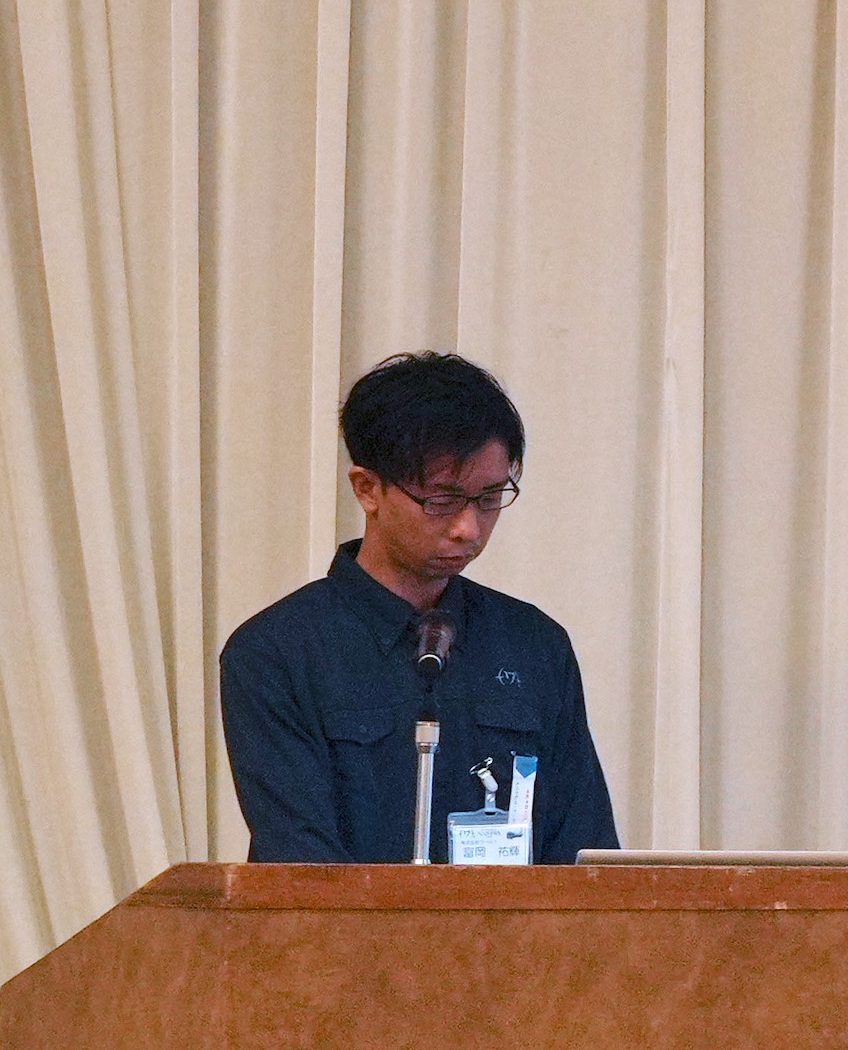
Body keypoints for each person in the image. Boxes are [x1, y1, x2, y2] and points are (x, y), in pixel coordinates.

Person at [219, 352, 620, 865]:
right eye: (442, 501)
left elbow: (584, 850)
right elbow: (299, 863)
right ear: (368, 489)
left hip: (518, 921)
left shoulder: (534, 644)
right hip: (343, 920)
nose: (468, 529)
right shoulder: (277, 653)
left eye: (490, 498)